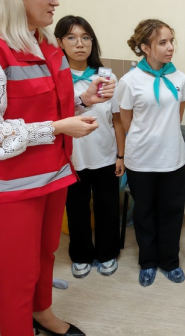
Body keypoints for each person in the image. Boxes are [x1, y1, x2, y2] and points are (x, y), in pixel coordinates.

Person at [0, 0, 115, 336]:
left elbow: (45, 108)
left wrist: (83, 101)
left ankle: (42, 313)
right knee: (18, 272)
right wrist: (56, 128)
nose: (56, 2)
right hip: (10, 187)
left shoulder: (44, 44)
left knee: (45, 255)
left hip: (52, 175)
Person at [118, 19, 185, 287]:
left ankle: (169, 262)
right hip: (141, 160)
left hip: (172, 157)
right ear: (145, 48)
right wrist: (146, 140)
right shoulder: (130, 81)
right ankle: (147, 262)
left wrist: (163, 137)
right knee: (144, 213)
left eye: (171, 41)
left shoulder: (179, 77)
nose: (170, 47)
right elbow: (126, 121)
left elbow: (177, 116)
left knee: (172, 211)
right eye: (162, 42)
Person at [56, 15, 125, 279]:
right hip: (72, 158)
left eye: (86, 37)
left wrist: (121, 155)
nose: (80, 44)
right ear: (60, 42)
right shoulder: (56, 79)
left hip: (105, 155)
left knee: (108, 207)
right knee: (76, 209)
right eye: (72, 37)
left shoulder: (107, 78)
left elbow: (117, 120)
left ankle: (108, 253)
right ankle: (81, 255)